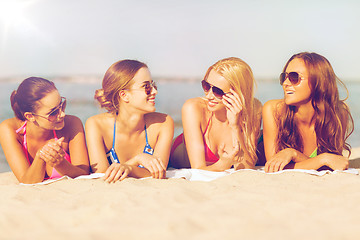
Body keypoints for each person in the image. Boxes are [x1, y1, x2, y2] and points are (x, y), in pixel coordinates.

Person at [262, 52, 354, 173]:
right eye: (284, 77)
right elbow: (274, 167)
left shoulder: (338, 114)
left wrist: (294, 154)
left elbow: (333, 163)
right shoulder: (273, 110)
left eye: (294, 77)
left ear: (319, 81)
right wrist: (323, 159)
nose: (285, 83)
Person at [85, 60, 174, 183]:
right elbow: (101, 174)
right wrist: (137, 160)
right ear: (124, 95)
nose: (154, 91)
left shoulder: (163, 123)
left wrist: (129, 167)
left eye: (153, 85)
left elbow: (159, 172)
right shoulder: (96, 125)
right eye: (146, 87)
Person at [169, 57, 263, 171]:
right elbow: (198, 169)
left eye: (218, 91)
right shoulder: (193, 108)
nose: (209, 96)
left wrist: (235, 126)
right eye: (206, 86)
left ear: (238, 93)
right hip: (172, 159)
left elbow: (246, 168)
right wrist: (224, 164)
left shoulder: (253, 109)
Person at [0, 77, 90, 183]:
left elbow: (84, 173)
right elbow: (26, 181)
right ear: (30, 116)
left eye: (62, 105)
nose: (62, 114)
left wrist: (61, 164)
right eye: (53, 112)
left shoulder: (72, 124)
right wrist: (41, 157)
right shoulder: (9, 129)